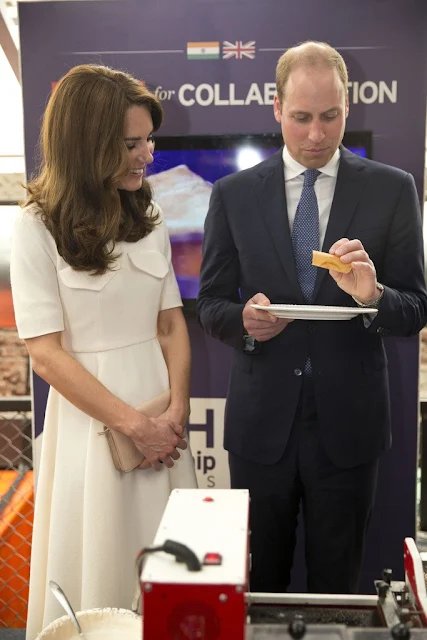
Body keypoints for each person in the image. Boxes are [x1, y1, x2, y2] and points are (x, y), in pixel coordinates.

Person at [196, 41, 427, 595]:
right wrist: (244, 322)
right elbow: (210, 303)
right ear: (276, 108)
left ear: (348, 107)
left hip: (349, 427)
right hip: (261, 428)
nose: (317, 135)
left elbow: (415, 308)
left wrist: (372, 298)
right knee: (258, 584)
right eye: (301, 118)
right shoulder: (232, 196)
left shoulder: (393, 189)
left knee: (338, 587)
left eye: (330, 117)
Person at [10, 64, 197, 639]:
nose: (148, 153)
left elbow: (171, 325)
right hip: (91, 430)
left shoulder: (153, 215)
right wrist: (132, 425)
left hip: (161, 428)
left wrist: (174, 414)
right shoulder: (36, 227)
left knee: (172, 571)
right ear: (89, 144)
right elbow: (45, 354)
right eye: (132, 143)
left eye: (148, 140)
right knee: (98, 565)